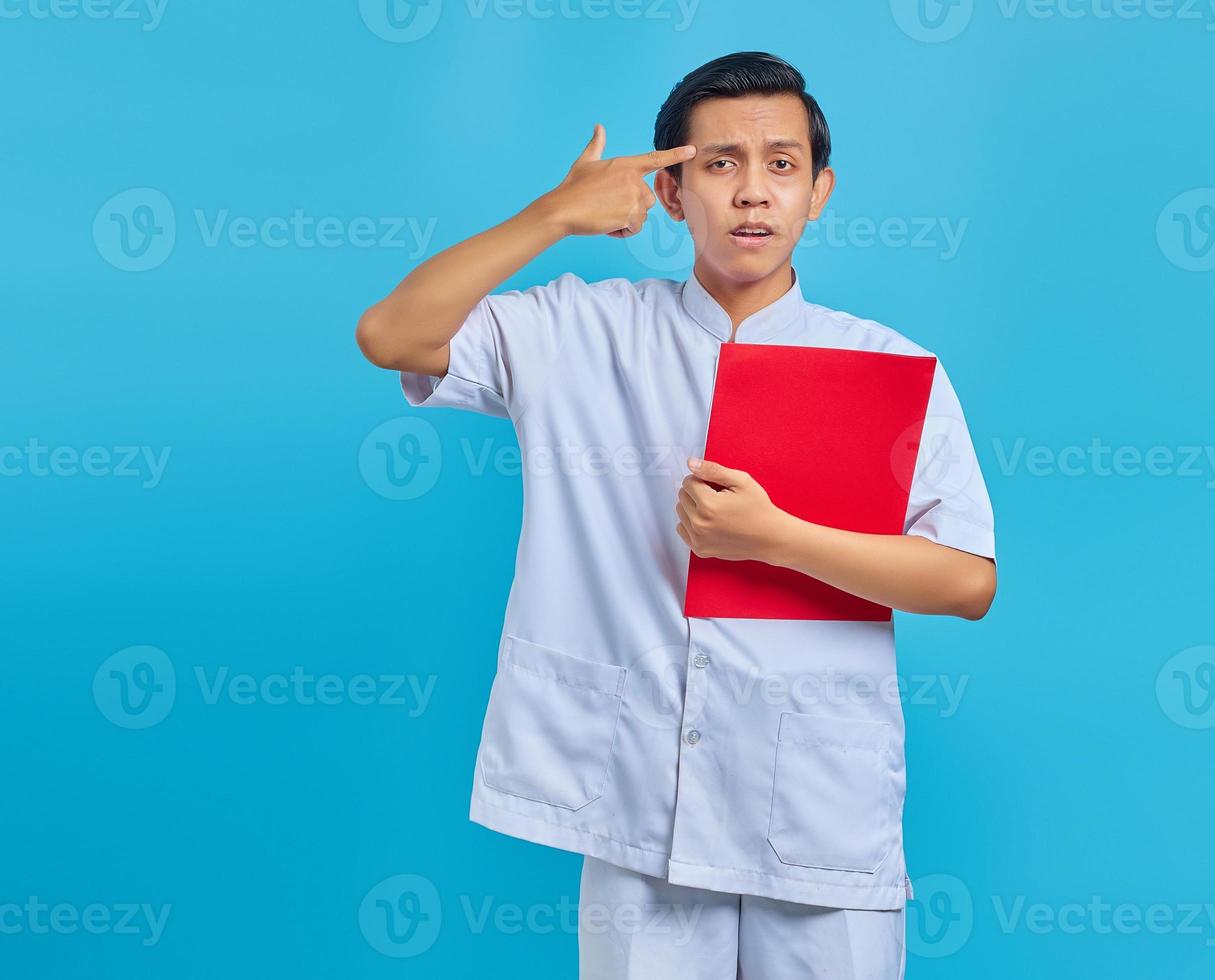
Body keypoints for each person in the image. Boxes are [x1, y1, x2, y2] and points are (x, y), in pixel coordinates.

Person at [356, 50, 997, 980]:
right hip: (637, 807)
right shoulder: (580, 330)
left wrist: (777, 540)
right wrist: (552, 218)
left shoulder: (888, 369)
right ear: (669, 190)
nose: (751, 193)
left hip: (820, 807)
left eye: (781, 165)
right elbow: (393, 335)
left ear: (819, 193)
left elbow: (968, 579)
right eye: (719, 164)